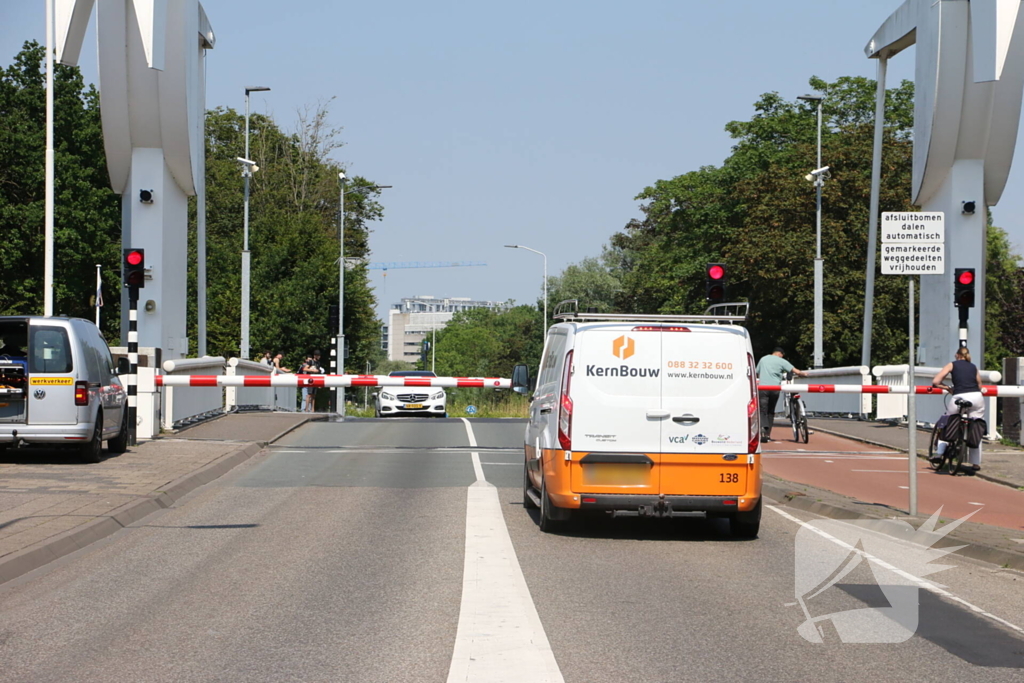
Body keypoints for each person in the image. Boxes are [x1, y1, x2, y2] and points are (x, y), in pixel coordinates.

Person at [930, 347, 985, 472]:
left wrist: (948, 388)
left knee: (947, 421)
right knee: (975, 427)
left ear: (957, 355)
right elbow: (980, 385)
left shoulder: (951, 365)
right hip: (977, 397)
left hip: (959, 396)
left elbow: (936, 381)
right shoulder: (973, 367)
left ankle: (939, 454)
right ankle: (976, 463)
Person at [756, 347, 808, 443]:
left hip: (763, 388)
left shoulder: (763, 359)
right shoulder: (781, 361)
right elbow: (796, 371)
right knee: (771, 411)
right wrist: (804, 374)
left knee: (763, 409)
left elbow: (757, 372)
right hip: (775, 389)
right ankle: (768, 434)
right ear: (780, 354)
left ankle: (763, 428)